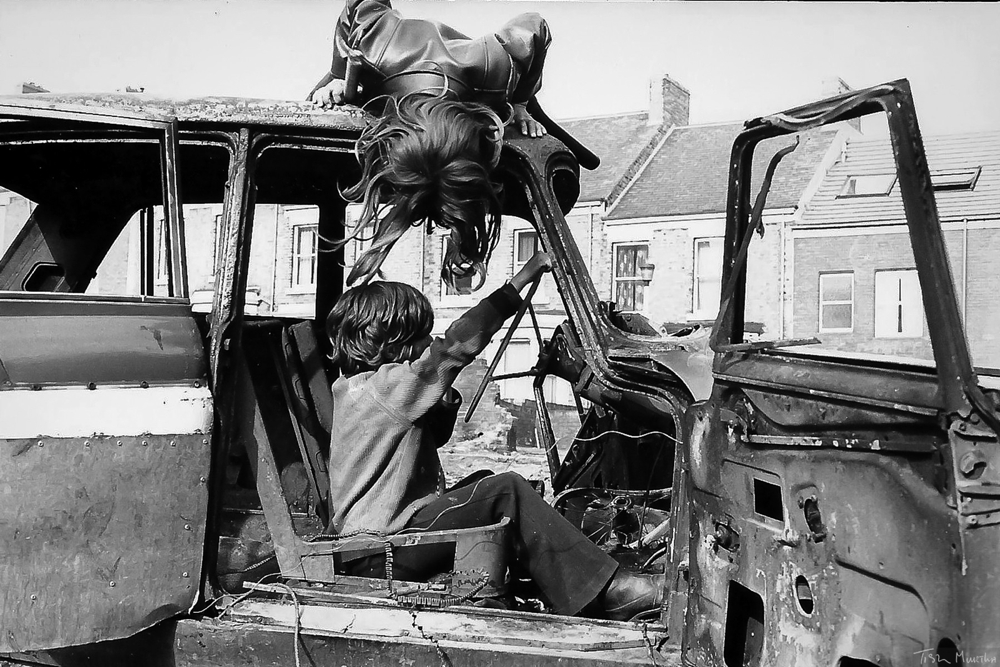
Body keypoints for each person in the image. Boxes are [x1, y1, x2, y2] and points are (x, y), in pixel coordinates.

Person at [324, 250, 663, 620]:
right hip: (382, 553)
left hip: (368, 550)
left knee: (486, 483)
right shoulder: (387, 388)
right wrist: (520, 281)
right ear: (393, 345)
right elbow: (452, 347)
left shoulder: (355, 389)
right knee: (506, 490)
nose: (430, 341)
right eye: (422, 336)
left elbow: (428, 438)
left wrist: (443, 396)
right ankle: (608, 593)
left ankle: (554, 578)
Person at [308, 0, 554, 287]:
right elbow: (533, 25)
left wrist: (520, 101)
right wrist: (339, 75)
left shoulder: (495, 67)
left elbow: (534, 27)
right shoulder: (374, 44)